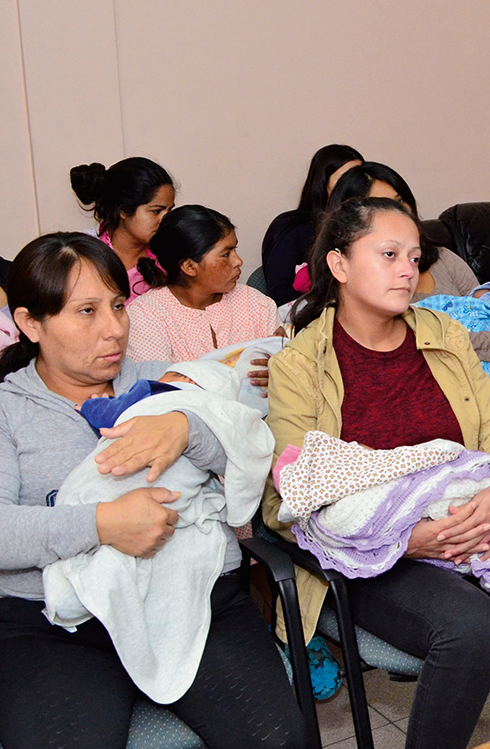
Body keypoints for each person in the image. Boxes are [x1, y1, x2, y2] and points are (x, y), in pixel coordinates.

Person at [264, 197, 490, 747]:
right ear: (339, 265)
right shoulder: (301, 364)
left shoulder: (443, 336)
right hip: (376, 551)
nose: (408, 268)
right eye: (388, 254)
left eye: (414, 255)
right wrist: (404, 537)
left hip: (476, 520)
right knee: (470, 630)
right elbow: (294, 491)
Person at [0, 233, 304, 749]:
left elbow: (250, 466)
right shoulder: (9, 409)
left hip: (193, 597)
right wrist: (102, 523)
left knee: (276, 739)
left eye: (119, 306)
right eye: (87, 312)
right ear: (31, 323)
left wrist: (189, 430)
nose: (114, 329)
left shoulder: (170, 382)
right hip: (55, 627)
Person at [326, 162, 490, 370]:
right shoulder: (358, 286)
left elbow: (486, 312)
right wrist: (489, 345)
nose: (397, 213)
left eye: (400, 202)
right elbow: (407, 345)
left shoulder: (443, 258)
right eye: (382, 205)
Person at [125, 206, 280, 363]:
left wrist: (276, 371)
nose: (238, 261)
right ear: (189, 267)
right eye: (225, 254)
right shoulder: (147, 315)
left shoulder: (255, 303)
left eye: (235, 250)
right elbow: (159, 384)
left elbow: (287, 367)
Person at [262, 144, 364, 305]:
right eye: (344, 179)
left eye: (359, 179)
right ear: (323, 183)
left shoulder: (368, 229)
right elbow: (280, 295)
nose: (353, 186)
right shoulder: (292, 228)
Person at [69, 157, 176, 302]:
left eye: (169, 211)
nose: (165, 220)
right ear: (123, 211)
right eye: (156, 211)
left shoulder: (172, 252)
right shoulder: (82, 252)